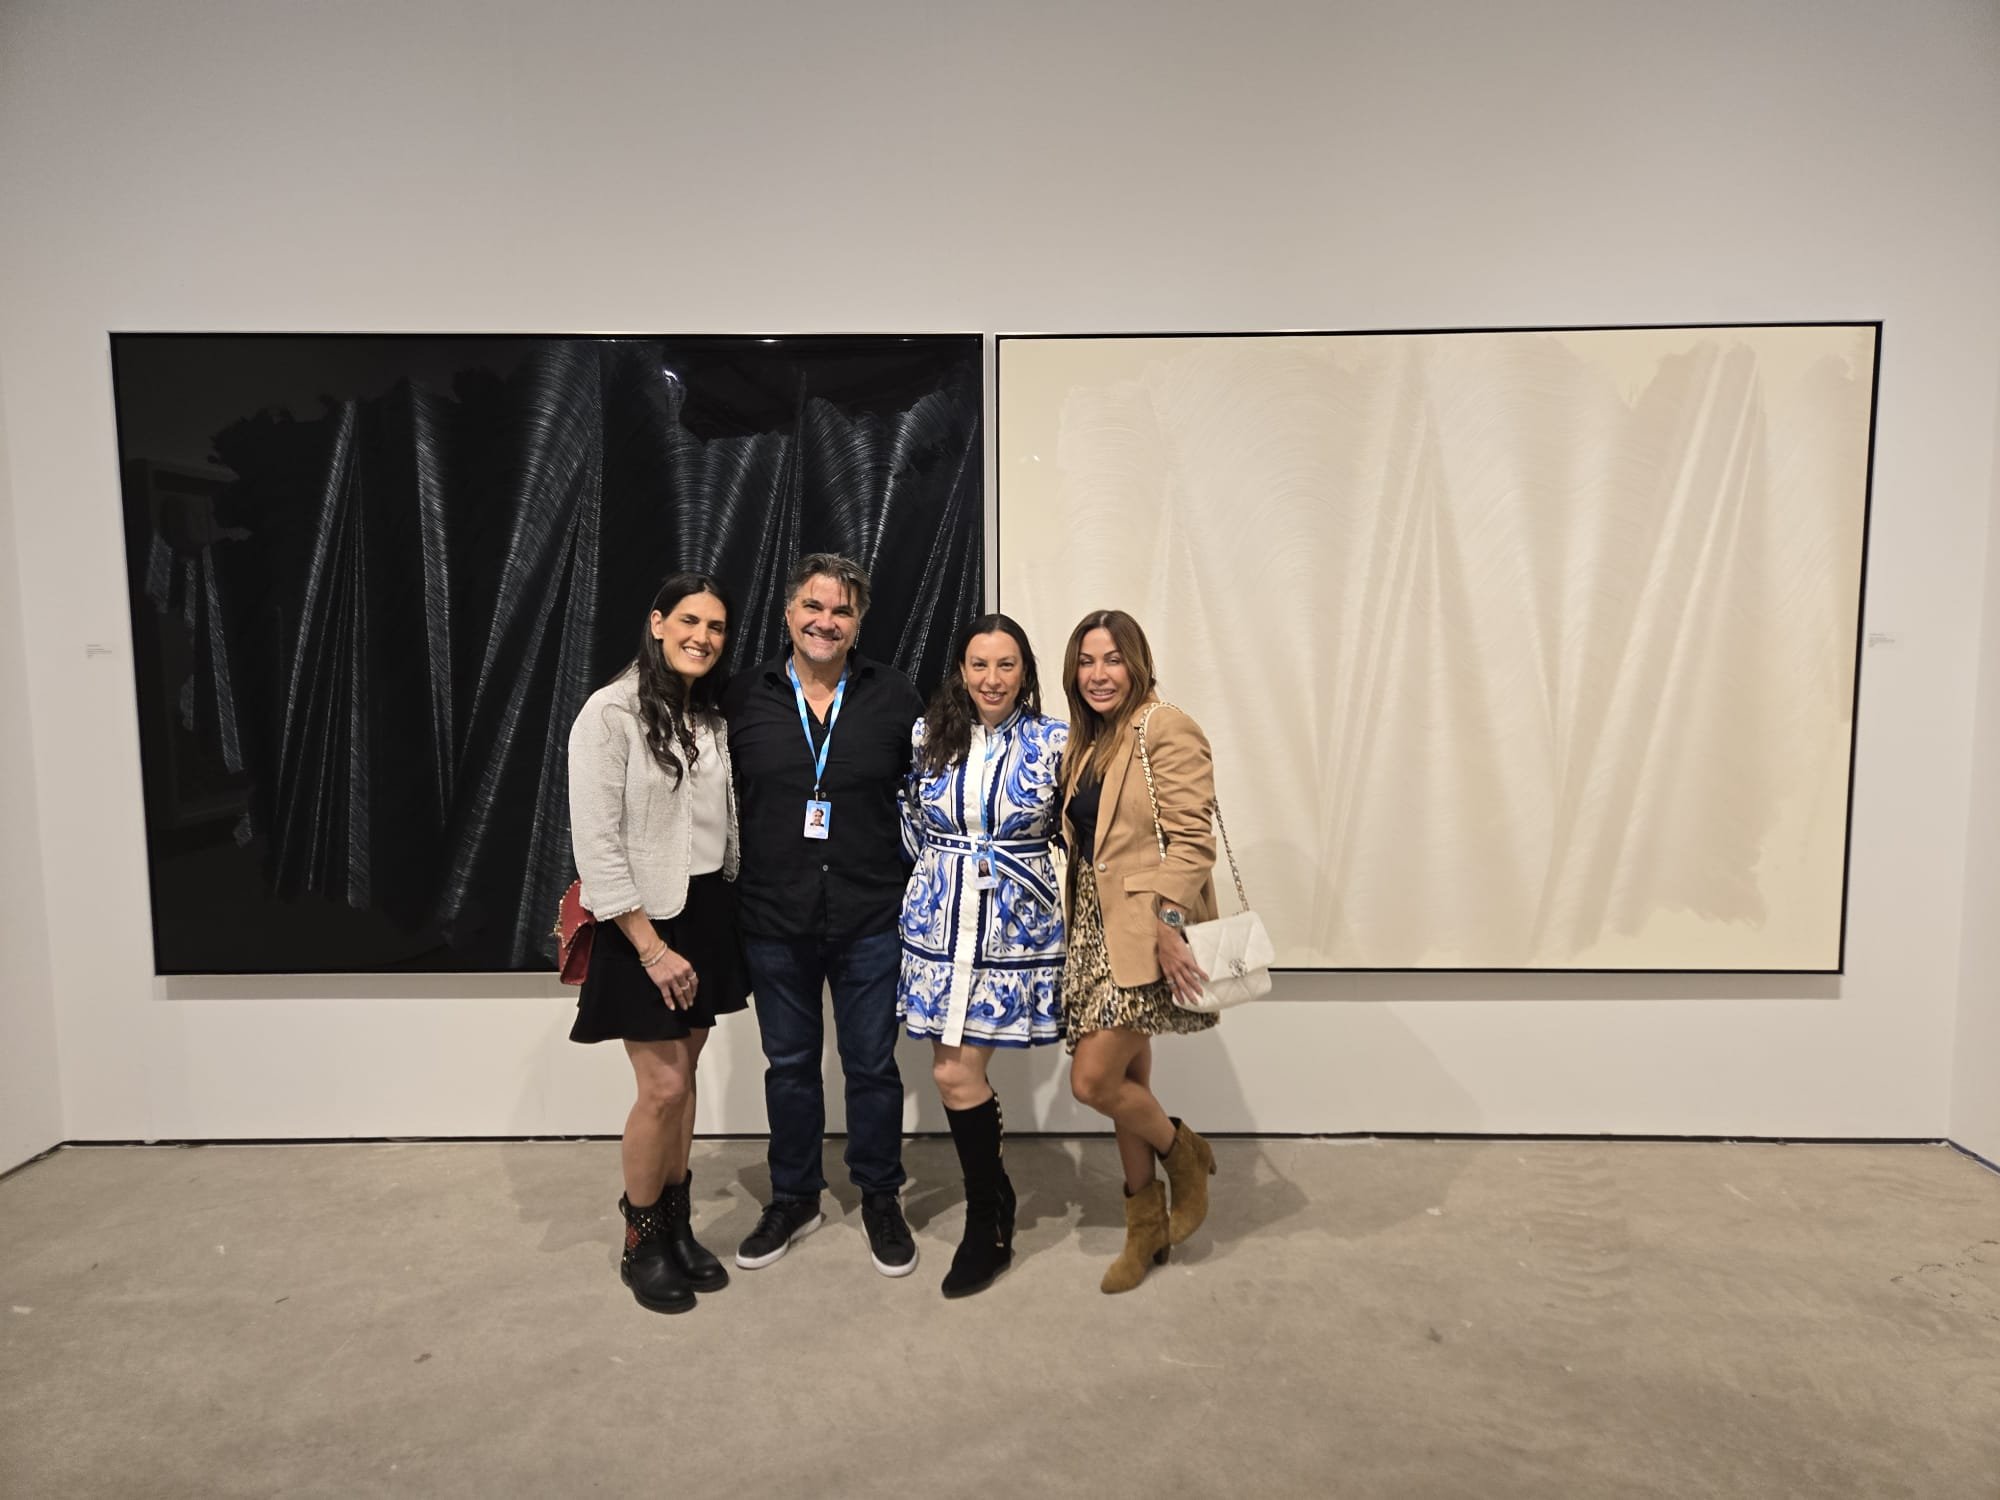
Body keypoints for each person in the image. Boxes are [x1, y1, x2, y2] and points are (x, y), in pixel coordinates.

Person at [722, 553, 925, 1277]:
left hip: (872, 916)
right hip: (774, 919)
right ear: (787, 614)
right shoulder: (744, 697)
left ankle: (878, 1195)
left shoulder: (895, 695)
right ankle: (794, 1197)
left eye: (841, 611)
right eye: (813, 606)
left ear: (858, 622)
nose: (825, 621)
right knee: (791, 1067)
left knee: (871, 1067)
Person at [567, 573, 748, 1315]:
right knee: (661, 1088)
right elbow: (598, 847)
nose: (703, 636)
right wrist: (649, 948)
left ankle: (676, 1224)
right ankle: (641, 1240)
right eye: (690, 621)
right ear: (656, 622)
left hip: (704, 909)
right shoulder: (607, 715)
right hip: (640, 923)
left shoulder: (707, 716)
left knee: (689, 1076)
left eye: (716, 626)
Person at [897, 613, 1068, 1297]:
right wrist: (937, 881)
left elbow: (1076, 831)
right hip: (940, 929)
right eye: (978, 664)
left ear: (1025, 670)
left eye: (1005, 665)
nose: (991, 679)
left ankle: (986, 1221)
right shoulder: (927, 736)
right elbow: (909, 818)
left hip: (1012, 932)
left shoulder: (1056, 742)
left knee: (954, 1073)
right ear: (960, 671)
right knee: (951, 1074)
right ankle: (994, 1208)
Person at [1058, 609, 1220, 1294]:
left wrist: (1166, 922)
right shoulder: (1091, 740)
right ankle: (1144, 1228)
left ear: (1138, 662)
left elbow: (1193, 841)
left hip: (1138, 931)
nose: (1099, 673)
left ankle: (1182, 1150)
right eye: (1087, 661)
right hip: (1090, 933)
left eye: (1112, 659)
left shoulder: (1166, 727)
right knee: (1130, 1085)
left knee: (1093, 1083)